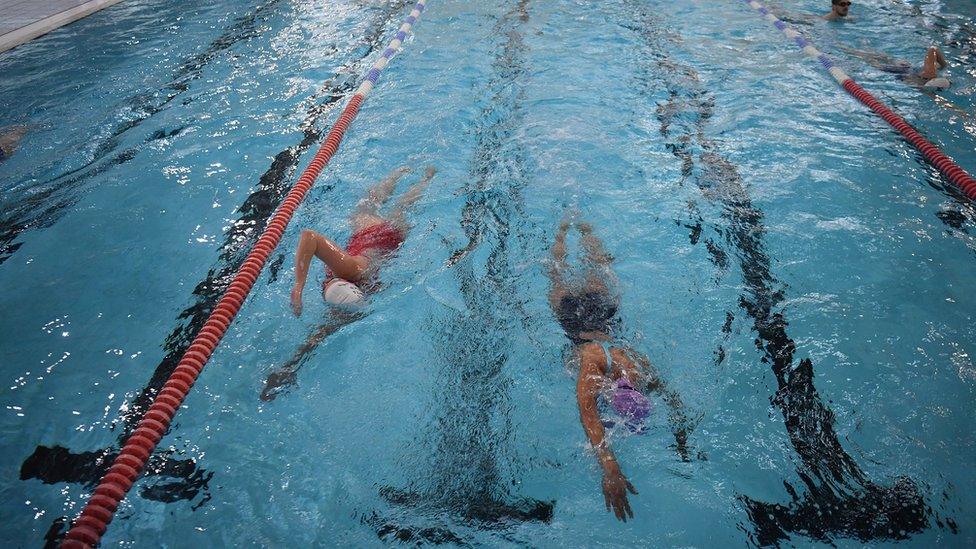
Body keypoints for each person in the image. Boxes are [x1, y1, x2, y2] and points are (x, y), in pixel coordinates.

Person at [546, 217, 692, 522]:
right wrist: (610, 465)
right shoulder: (594, 365)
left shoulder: (636, 365)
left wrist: (682, 436)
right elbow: (589, 415)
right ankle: (568, 227)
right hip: (575, 323)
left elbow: (670, 396)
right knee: (557, 276)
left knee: (593, 267)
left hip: (605, 314)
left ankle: (573, 226)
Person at [262, 165, 436, 401]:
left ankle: (413, 175)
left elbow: (309, 236)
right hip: (381, 246)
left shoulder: (351, 270)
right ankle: (415, 174)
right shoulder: (351, 281)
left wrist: (299, 286)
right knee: (384, 205)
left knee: (389, 205)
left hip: (376, 234)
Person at [843, 45, 950, 89]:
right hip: (903, 70)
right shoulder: (928, 75)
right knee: (874, 61)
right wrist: (943, 66)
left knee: (879, 58)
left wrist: (944, 66)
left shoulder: (929, 75)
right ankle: (853, 49)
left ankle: (855, 49)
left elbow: (933, 49)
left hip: (905, 69)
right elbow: (932, 49)